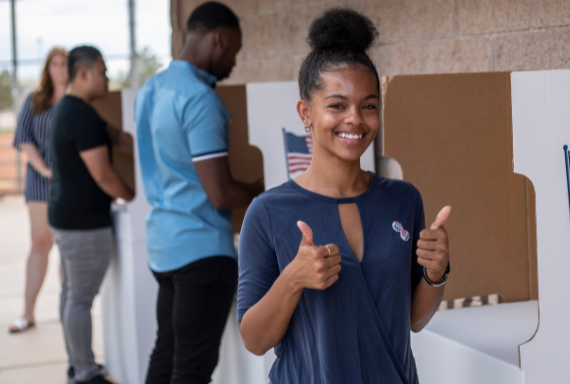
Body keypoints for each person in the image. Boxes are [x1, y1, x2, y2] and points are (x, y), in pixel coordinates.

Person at [236, 8, 452, 384]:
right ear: (306, 112)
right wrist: (293, 279)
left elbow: (414, 321)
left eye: (368, 105)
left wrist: (436, 274)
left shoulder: (404, 199)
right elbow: (254, 340)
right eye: (337, 105)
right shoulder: (268, 212)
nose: (355, 118)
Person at [134, 3, 262, 383]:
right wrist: (260, 192)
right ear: (219, 38)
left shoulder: (151, 89)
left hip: (163, 247)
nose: (233, 62)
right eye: (234, 51)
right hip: (202, 252)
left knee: (167, 353)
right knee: (192, 369)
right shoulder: (201, 100)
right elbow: (220, 193)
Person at [48, 45, 134, 384]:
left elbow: (115, 137)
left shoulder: (70, 109)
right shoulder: (80, 115)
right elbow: (104, 175)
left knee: (71, 294)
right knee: (80, 298)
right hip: (82, 224)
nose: (108, 77)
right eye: (102, 71)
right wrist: (134, 196)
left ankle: (77, 363)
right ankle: (84, 372)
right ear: (83, 74)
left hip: (67, 218)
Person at [9, 47, 68, 334]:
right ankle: (27, 313)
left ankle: (67, 313)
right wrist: (45, 169)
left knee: (66, 248)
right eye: (54, 63)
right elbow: (24, 139)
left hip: (70, 182)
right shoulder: (34, 100)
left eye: (64, 63)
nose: (59, 68)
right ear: (48, 68)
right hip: (40, 180)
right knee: (40, 243)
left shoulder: (75, 101)